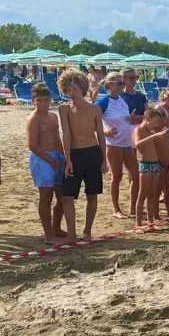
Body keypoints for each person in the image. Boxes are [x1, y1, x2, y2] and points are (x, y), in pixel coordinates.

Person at [58, 68, 107, 242]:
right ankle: (71, 233)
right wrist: (68, 159)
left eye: (75, 87)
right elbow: (66, 134)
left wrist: (104, 160)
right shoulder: (64, 109)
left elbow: (100, 135)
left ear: (82, 87)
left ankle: (87, 231)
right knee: (67, 196)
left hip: (92, 153)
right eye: (69, 88)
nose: (72, 91)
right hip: (74, 154)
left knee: (92, 194)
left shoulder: (95, 108)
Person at [96, 71, 140, 219]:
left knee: (135, 175)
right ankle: (116, 209)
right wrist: (104, 131)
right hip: (114, 144)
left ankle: (133, 208)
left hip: (128, 143)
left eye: (123, 83)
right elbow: (92, 121)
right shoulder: (103, 101)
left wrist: (131, 119)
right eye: (120, 83)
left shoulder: (121, 100)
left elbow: (124, 120)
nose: (123, 86)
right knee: (117, 177)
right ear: (109, 85)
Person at [26, 83, 66, 243]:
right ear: (33, 101)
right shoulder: (33, 119)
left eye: (45, 100)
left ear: (50, 100)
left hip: (57, 156)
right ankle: (48, 234)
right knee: (46, 196)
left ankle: (56, 228)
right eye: (39, 101)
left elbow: (57, 138)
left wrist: (63, 156)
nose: (43, 104)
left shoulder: (53, 116)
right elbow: (32, 145)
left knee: (62, 196)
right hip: (42, 158)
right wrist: (50, 160)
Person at [133, 109, 168, 228]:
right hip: (145, 164)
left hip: (154, 164)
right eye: (155, 121)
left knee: (152, 194)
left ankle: (150, 221)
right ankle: (138, 224)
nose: (157, 124)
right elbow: (137, 144)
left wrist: (160, 135)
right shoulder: (139, 130)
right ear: (148, 119)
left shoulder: (150, 131)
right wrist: (154, 135)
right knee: (142, 194)